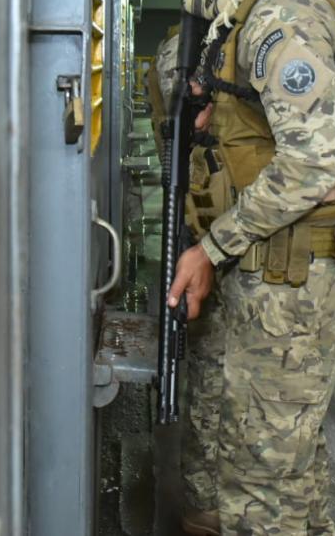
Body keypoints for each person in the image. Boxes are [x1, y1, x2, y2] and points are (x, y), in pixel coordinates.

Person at [129, 0, 335, 536]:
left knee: (262, 485)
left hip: (295, 273)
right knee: (282, 466)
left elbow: (310, 162)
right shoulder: (254, 9)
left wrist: (212, 248)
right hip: (279, 264)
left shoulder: (280, 12)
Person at [150, 31, 230, 536]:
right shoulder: (197, 49)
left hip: (211, 220)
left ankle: (207, 499)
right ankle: (205, 501)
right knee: (212, 365)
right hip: (211, 226)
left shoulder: (185, 46)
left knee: (213, 366)